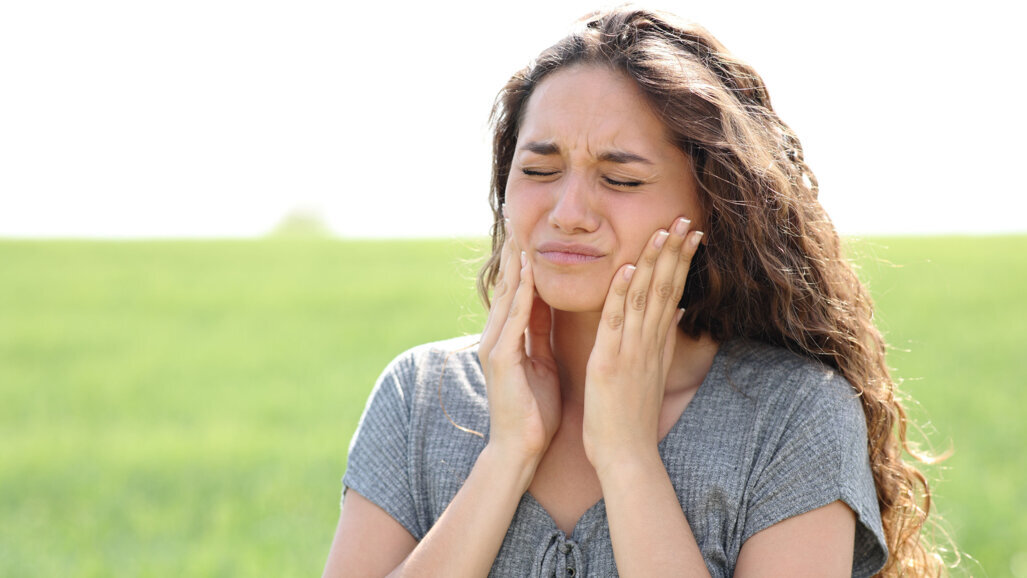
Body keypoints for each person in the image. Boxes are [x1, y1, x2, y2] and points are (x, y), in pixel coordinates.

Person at [323, 6, 945, 577]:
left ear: (713, 203)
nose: (568, 212)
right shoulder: (418, 396)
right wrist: (507, 454)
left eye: (620, 179)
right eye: (538, 171)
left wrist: (626, 457)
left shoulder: (794, 416)